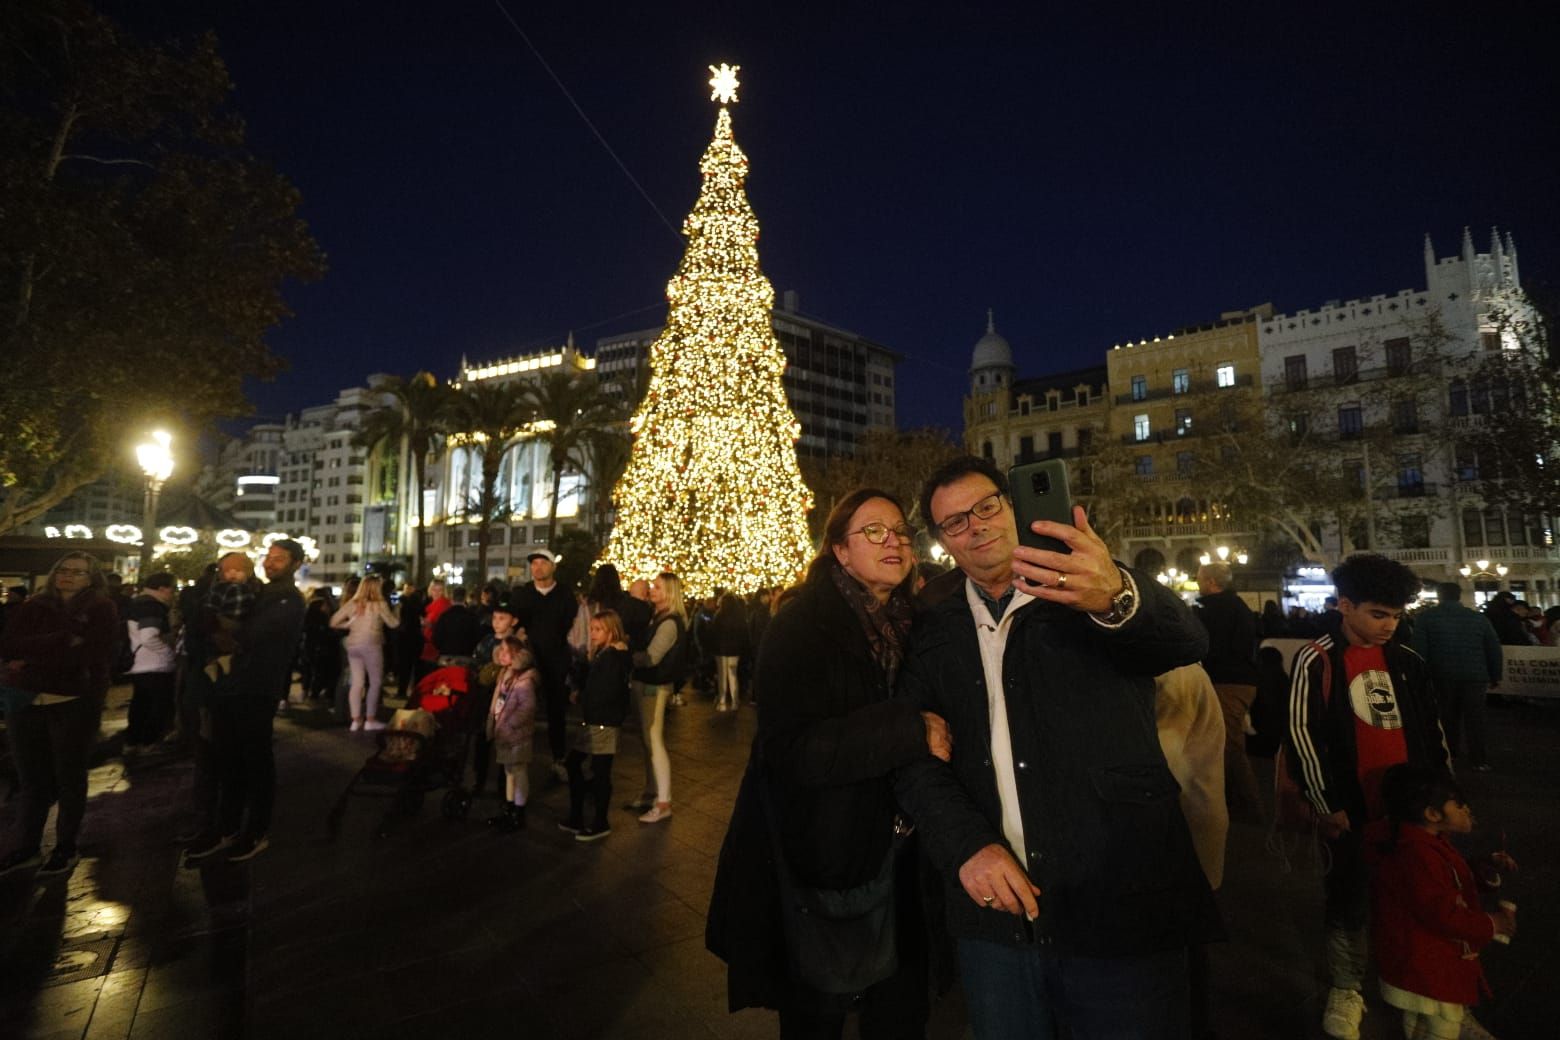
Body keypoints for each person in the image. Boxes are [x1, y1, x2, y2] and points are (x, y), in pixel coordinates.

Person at [893, 456, 1217, 1039]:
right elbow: (916, 758)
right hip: (995, 915)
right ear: (942, 541)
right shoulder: (931, 626)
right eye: (954, 522)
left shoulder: (1088, 588)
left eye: (986, 506)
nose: (976, 527)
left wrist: (1115, 594)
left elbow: (1185, 640)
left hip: (1120, 902)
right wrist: (968, 847)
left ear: (1013, 505)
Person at [708, 488, 948, 1036]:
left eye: (901, 532)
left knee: (900, 1012)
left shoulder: (917, 624)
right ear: (839, 550)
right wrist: (909, 730)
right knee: (818, 1013)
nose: (894, 540)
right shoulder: (801, 625)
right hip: (820, 859)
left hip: (905, 857)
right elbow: (791, 749)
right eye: (874, 531)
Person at [1285, 553, 1450, 1040]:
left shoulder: (1409, 662)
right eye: (1379, 614)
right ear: (1345, 606)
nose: (1389, 625)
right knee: (1348, 900)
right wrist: (1326, 800)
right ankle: (1346, 987)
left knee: (1413, 897)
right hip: (1352, 809)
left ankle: (1413, 990)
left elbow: (1432, 731)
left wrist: (1442, 797)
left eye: (1397, 616)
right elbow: (1302, 734)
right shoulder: (1316, 659)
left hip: (1411, 810)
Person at [1369, 764, 1516, 1040]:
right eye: (1459, 805)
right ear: (1432, 814)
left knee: (1422, 1020)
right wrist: (1491, 923)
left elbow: (1449, 881)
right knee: (1443, 1027)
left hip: (1420, 962)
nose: (1467, 810)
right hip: (1428, 966)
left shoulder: (1426, 842)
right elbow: (1442, 912)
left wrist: (1484, 869)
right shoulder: (1417, 855)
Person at [186, 539, 306, 865]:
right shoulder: (261, 592)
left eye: (279, 558)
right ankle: (227, 826)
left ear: (296, 563)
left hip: (257, 686)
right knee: (229, 759)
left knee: (255, 760)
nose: (270, 562)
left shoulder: (288, 599)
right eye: (268, 557)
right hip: (231, 685)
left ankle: (255, 830)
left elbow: (251, 636)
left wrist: (220, 632)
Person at [0, 552, 119, 879]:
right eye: (63, 571)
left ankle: (65, 846)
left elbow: (92, 652)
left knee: (69, 776)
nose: (68, 576)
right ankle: (26, 845)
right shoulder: (34, 605)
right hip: (26, 701)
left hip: (73, 701)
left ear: (91, 578)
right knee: (31, 779)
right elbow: (10, 645)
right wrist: (64, 641)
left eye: (78, 573)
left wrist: (33, 655)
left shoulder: (100, 608)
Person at [1153, 663, 1229, 1040]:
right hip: (1189, 824)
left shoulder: (1172, 672)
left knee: (1178, 961)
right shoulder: (1178, 663)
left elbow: (1160, 759)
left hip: (1180, 831)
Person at [1194, 561, 1264, 823]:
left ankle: (1250, 806)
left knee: (1229, 744)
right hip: (1241, 681)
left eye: (1200, 578)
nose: (1197, 582)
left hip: (1228, 682)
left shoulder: (1211, 610)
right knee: (1228, 741)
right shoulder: (1238, 607)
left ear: (1212, 582)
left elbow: (1208, 646)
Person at [1412, 583, 1503, 772]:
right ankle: (1479, 759)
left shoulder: (1426, 618)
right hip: (1475, 675)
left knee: (1446, 716)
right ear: (1459, 596)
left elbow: (1419, 651)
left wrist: (1420, 678)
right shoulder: (1478, 618)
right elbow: (1493, 648)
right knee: (1475, 718)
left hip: (1441, 675)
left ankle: (1450, 754)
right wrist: (1495, 675)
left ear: (1439, 595)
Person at [561, 609, 633, 842]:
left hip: (603, 720)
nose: (592, 634)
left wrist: (582, 696)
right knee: (582, 765)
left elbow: (605, 690)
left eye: (598, 629)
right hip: (596, 719)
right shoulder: (606, 654)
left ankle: (598, 820)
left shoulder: (612, 657)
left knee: (598, 770)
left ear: (611, 631)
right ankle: (580, 815)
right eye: (592, 629)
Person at [626, 572, 688, 823]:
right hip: (647, 683)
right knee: (647, 740)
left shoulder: (669, 622)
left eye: (658, 587)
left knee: (654, 740)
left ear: (670, 593)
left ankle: (663, 802)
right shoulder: (659, 617)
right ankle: (651, 792)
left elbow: (652, 657)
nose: (652, 590)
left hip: (655, 685)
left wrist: (625, 655)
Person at [510, 549, 577, 782]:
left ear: (552, 567)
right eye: (534, 563)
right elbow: (515, 625)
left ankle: (558, 758)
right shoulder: (523, 594)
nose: (537, 567)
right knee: (521, 709)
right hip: (528, 661)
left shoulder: (565, 595)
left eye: (542, 563)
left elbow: (572, 627)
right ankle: (517, 759)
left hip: (556, 661)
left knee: (555, 712)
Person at [331, 574, 399, 732]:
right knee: (375, 682)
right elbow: (393, 623)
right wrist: (397, 611)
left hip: (353, 645)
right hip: (372, 645)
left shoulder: (352, 603)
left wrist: (348, 624)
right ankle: (370, 719)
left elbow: (333, 621)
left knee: (357, 683)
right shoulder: (379, 604)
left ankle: (355, 720)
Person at [122, 571, 180, 754]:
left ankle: (133, 741)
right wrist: (168, 653)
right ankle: (149, 742)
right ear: (163, 589)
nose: (174, 594)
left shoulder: (138, 602)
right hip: (154, 664)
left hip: (140, 664)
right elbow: (148, 636)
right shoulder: (151, 606)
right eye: (173, 589)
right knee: (156, 706)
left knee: (140, 704)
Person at [486, 636, 538, 832]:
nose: (501, 654)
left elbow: (527, 707)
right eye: (501, 650)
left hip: (516, 735)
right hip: (506, 732)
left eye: (506, 651)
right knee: (510, 772)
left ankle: (518, 811)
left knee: (518, 771)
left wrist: (510, 723)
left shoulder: (524, 680)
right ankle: (509, 808)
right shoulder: (504, 674)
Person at [471, 602, 523, 799]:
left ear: (513, 621)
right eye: (494, 618)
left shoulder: (518, 645)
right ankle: (479, 779)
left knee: (505, 744)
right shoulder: (486, 641)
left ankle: (505, 787)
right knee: (482, 739)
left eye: (502, 618)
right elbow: (476, 663)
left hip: (507, 699)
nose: (496, 622)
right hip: (485, 697)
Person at [709, 592, 749, 712]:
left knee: (722, 676)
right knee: (733, 676)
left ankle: (722, 702)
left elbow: (713, 634)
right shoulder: (739, 617)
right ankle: (734, 701)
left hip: (720, 651)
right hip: (734, 651)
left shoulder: (718, 616)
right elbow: (743, 634)